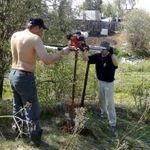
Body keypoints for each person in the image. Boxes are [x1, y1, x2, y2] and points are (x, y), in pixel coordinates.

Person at [9, 17, 70, 146]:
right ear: (36, 27)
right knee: (32, 109)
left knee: (18, 107)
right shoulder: (35, 38)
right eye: (41, 30)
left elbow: (24, 52)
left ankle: (18, 133)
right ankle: (35, 140)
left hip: (13, 73)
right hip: (25, 76)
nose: (41, 33)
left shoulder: (15, 35)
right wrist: (61, 52)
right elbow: (47, 60)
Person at [81, 41, 118, 132]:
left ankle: (112, 123)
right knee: (101, 100)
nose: (102, 51)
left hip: (109, 83)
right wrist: (83, 51)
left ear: (107, 50)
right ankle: (104, 115)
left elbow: (116, 64)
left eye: (104, 49)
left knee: (110, 103)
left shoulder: (111, 57)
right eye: (100, 49)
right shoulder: (97, 56)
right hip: (100, 81)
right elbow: (86, 59)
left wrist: (112, 54)